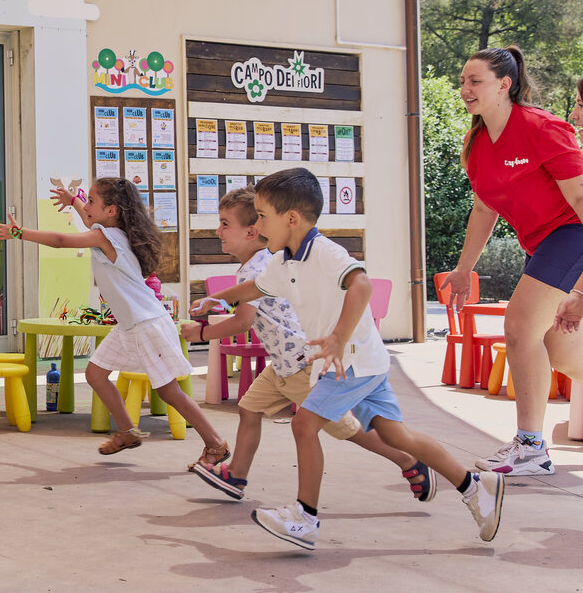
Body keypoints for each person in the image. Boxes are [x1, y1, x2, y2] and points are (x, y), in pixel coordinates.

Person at [204, 168, 503, 550]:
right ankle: (475, 487)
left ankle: (304, 518)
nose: (258, 226)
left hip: (351, 361)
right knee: (398, 436)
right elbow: (254, 288)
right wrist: (215, 299)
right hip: (364, 362)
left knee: (304, 425)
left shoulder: (325, 253)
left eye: (262, 216)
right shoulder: (282, 262)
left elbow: (361, 284)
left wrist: (338, 338)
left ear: (291, 218)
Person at [184, 188, 428, 500]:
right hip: (283, 364)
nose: (217, 231)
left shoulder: (259, 266)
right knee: (249, 408)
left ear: (251, 231)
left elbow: (243, 320)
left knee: (346, 429)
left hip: (301, 364)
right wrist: (213, 301)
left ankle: (407, 460)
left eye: (224, 224)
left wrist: (201, 334)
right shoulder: (258, 264)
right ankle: (236, 475)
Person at [0, 177, 229, 465]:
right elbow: (90, 220)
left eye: (91, 201)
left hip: (146, 323)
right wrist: (74, 202)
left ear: (111, 210)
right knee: (95, 374)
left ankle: (216, 444)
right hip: (129, 325)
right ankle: (127, 432)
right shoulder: (112, 233)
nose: (86, 206)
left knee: (169, 392)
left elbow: (62, 241)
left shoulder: (107, 237)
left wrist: (19, 233)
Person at [441, 46, 583, 476]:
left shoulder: (543, 128)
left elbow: (580, 199)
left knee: (519, 328)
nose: (465, 89)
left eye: (475, 81)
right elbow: (484, 208)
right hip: (541, 246)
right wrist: (464, 268)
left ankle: (532, 447)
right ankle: (531, 446)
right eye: (463, 81)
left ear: (504, 84)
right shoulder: (477, 142)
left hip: (571, 233)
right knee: (558, 350)